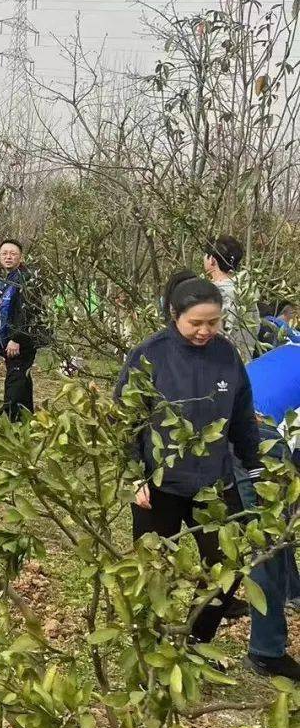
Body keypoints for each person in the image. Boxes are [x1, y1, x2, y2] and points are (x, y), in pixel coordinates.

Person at [116, 277, 262, 646]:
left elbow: (242, 417)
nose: (204, 331)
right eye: (195, 323)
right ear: (174, 315)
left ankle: (197, 638)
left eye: (212, 322)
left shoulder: (226, 354)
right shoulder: (151, 354)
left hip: (215, 484)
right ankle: (150, 645)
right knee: (153, 571)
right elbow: (126, 418)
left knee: (229, 567)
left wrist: (256, 465)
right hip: (161, 485)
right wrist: (135, 475)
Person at [235, 341, 300, 679]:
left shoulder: (289, 350)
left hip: (224, 423)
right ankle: (266, 651)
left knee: (276, 525)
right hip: (257, 435)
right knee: (267, 540)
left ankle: (293, 592)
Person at [0, 238, 45, 420]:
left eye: (13, 254)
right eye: (4, 253)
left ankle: (10, 422)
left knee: (14, 384)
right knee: (22, 381)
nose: (8, 257)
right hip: (9, 342)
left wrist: (17, 338)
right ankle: (26, 420)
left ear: (21, 257)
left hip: (21, 342)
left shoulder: (26, 279)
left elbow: (28, 311)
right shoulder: (6, 281)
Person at [204, 234, 259, 362]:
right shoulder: (248, 293)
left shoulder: (212, 294)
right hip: (245, 366)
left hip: (219, 367)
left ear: (212, 259)